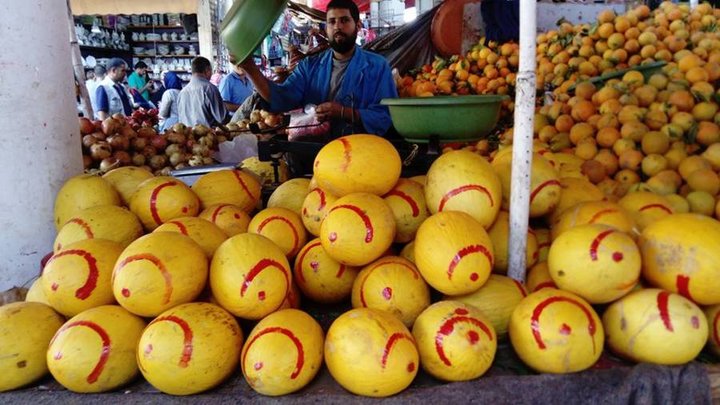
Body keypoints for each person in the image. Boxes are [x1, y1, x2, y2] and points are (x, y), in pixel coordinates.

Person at [238, 0, 398, 139]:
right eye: (332, 22)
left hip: (361, 153)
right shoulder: (309, 66)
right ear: (326, 27)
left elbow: (385, 117)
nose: (337, 27)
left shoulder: (378, 66)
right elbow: (282, 98)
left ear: (357, 25)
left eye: (344, 20)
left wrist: (343, 112)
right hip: (315, 153)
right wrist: (250, 68)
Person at [177, 56, 229, 127]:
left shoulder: (182, 92)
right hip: (207, 135)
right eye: (211, 70)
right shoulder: (209, 88)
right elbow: (222, 118)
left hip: (188, 136)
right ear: (207, 70)